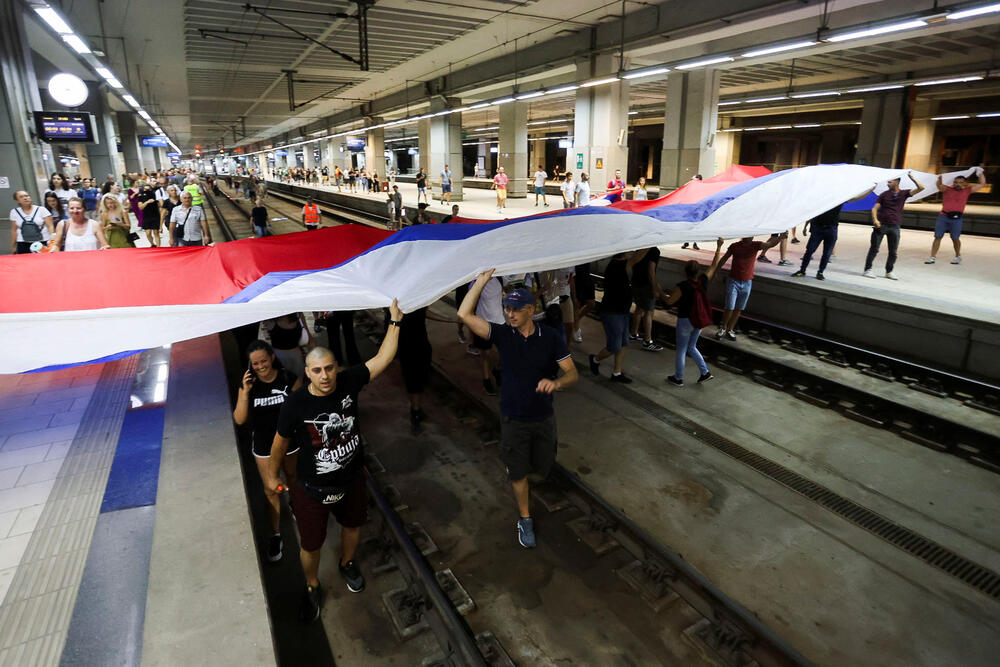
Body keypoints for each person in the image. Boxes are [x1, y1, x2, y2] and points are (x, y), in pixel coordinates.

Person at [267, 300, 402, 622]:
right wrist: (272, 476)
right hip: (312, 488)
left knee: (353, 526)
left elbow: (383, 358)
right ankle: (312, 585)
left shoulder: (348, 382)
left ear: (337, 367)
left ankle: (347, 562)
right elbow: (279, 442)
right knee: (310, 545)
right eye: (317, 370)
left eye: (329, 368)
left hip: (352, 479)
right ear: (307, 371)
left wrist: (395, 322)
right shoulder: (295, 404)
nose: (325, 376)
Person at [458, 273, 578, 549]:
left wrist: (557, 382)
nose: (509, 314)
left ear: (530, 311)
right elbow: (464, 313)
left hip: (544, 418)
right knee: (518, 473)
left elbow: (572, 373)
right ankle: (525, 518)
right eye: (507, 309)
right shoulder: (502, 334)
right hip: (513, 418)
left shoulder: (549, 338)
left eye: (515, 309)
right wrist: (481, 280)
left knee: (543, 468)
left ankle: (524, 476)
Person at [233, 340, 302, 562]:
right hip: (264, 447)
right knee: (271, 490)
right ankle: (275, 533)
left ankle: (295, 506)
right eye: (255, 363)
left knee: (293, 479)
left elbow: (302, 410)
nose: (260, 366)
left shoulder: (288, 379)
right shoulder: (248, 386)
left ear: (272, 357)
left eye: (263, 360)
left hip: (290, 444)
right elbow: (240, 419)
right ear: (250, 365)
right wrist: (245, 392)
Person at [664, 239, 725, 386]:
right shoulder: (703, 280)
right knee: (692, 347)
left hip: (685, 320)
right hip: (698, 320)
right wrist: (718, 247)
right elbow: (714, 266)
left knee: (681, 349)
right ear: (698, 271)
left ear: (685, 272)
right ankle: (705, 373)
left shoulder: (683, 286)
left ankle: (678, 378)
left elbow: (669, 302)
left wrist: (659, 291)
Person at [588, 249, 650, 383]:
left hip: (621, 311)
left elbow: (635, 258)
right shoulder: (617, 265)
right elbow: (637, 257)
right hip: (612, 312)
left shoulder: (617, 264)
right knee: (614, 346)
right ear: (624, 254)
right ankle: (595, 359)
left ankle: (617, 372)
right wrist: (649, 245)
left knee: (623, 343)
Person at [398, 305, 459, 435]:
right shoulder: (397, 299)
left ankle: (416, 408)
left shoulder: (419, 297)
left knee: (420, 377)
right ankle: (415, 413)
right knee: (412, 380)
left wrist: (448, 319)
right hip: (406, 345)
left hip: (422, 344)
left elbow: (425, 312)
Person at [792, 185, 875, 280]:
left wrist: (870, 190)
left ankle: (820, 272)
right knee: (810, 250)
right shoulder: (820, 198)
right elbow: (812, 211)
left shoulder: (838, 198)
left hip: (830, 228)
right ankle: (803, 270)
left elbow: (856, 198)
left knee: (826, 253)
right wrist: (806, 225)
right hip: (819, 227)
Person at [715, 234, 783, 341]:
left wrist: (781, 237)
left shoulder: (756, 245)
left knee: (739, 308)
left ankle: (730, 329)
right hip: (733, 280)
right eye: (746, 236)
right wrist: (717, 270)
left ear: (753, 236)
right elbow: (724, 258)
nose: (747, 238)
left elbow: (770, 244)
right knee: (729, 307)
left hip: (747, 282)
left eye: (750, 236)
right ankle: (723, 328)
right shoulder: (735, 246)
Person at [864, 172, 925, 279]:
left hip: (895, 226)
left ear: (897, 182)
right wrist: (875, 220)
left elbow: (921, 187)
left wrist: (912, 178)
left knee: (893, 251)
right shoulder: (884, 194)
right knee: (874, 248)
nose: (888, 184)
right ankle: (867, 269)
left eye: (890, 181)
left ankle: (889, 271)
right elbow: (874, 208)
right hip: (881, 225)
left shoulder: (904, 193)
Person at [927, 170, 986, 265]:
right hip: (944, 217)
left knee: (955, 238)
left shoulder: (967, 190)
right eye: (956, 182)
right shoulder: (947, 189)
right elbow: (939, 186)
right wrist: (940, 179)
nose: (958, 184)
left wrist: (980, 172)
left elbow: (982, 184)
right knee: (938, 236)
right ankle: (932, 257)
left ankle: (958, 255)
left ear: (965, 183)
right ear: (953, 182)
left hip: (956, 219)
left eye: (961, 182)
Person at [629, 246, 666, 352]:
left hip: (636, 282)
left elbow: (633, 264)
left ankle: (633, 333)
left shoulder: (639, 249)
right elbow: (651, 270)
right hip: (646, 285)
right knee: (649, 312)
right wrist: (654, 287)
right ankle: (647, 341)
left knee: (639, 308)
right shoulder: (654, 251)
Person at [266, 313, 313, 381]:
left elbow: (311, 341)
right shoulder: (269, 316)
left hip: (296, 361)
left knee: (298, 386)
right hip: (280, 362)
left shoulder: (298, 314)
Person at [571, 261, 595, 343]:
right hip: (577, 279)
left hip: (587, 277)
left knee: (591, 304)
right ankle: (576, 328)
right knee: (576, 305)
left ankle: (575, 321)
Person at [137, 181, 162, 247]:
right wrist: (147, 202)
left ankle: (159, 247)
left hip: (155, 215)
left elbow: (160, 205)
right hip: (146, 216)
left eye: (148, 189)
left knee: (156, 232)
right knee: (148, 233)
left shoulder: (155, 195)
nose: (147, 191)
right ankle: (152, 244)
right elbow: (140, 207)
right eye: (145, 189)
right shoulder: (141, 196)